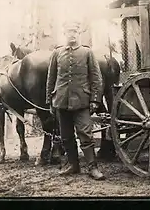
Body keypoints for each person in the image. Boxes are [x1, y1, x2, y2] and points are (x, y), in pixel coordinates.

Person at [46, 19, 106, 180]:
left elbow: (96, 78)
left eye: (75, 32)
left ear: (79, 34)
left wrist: (95, 100)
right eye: (69, 32)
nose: (72, 35)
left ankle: (92, 167)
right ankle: (73, 165)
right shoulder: (57, 53)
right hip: (61, 101)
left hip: (82, 101)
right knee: (66, 136)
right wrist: (49, 100)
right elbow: (51, 79)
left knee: (85, 134)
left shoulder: (87, 53)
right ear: (64, 34)